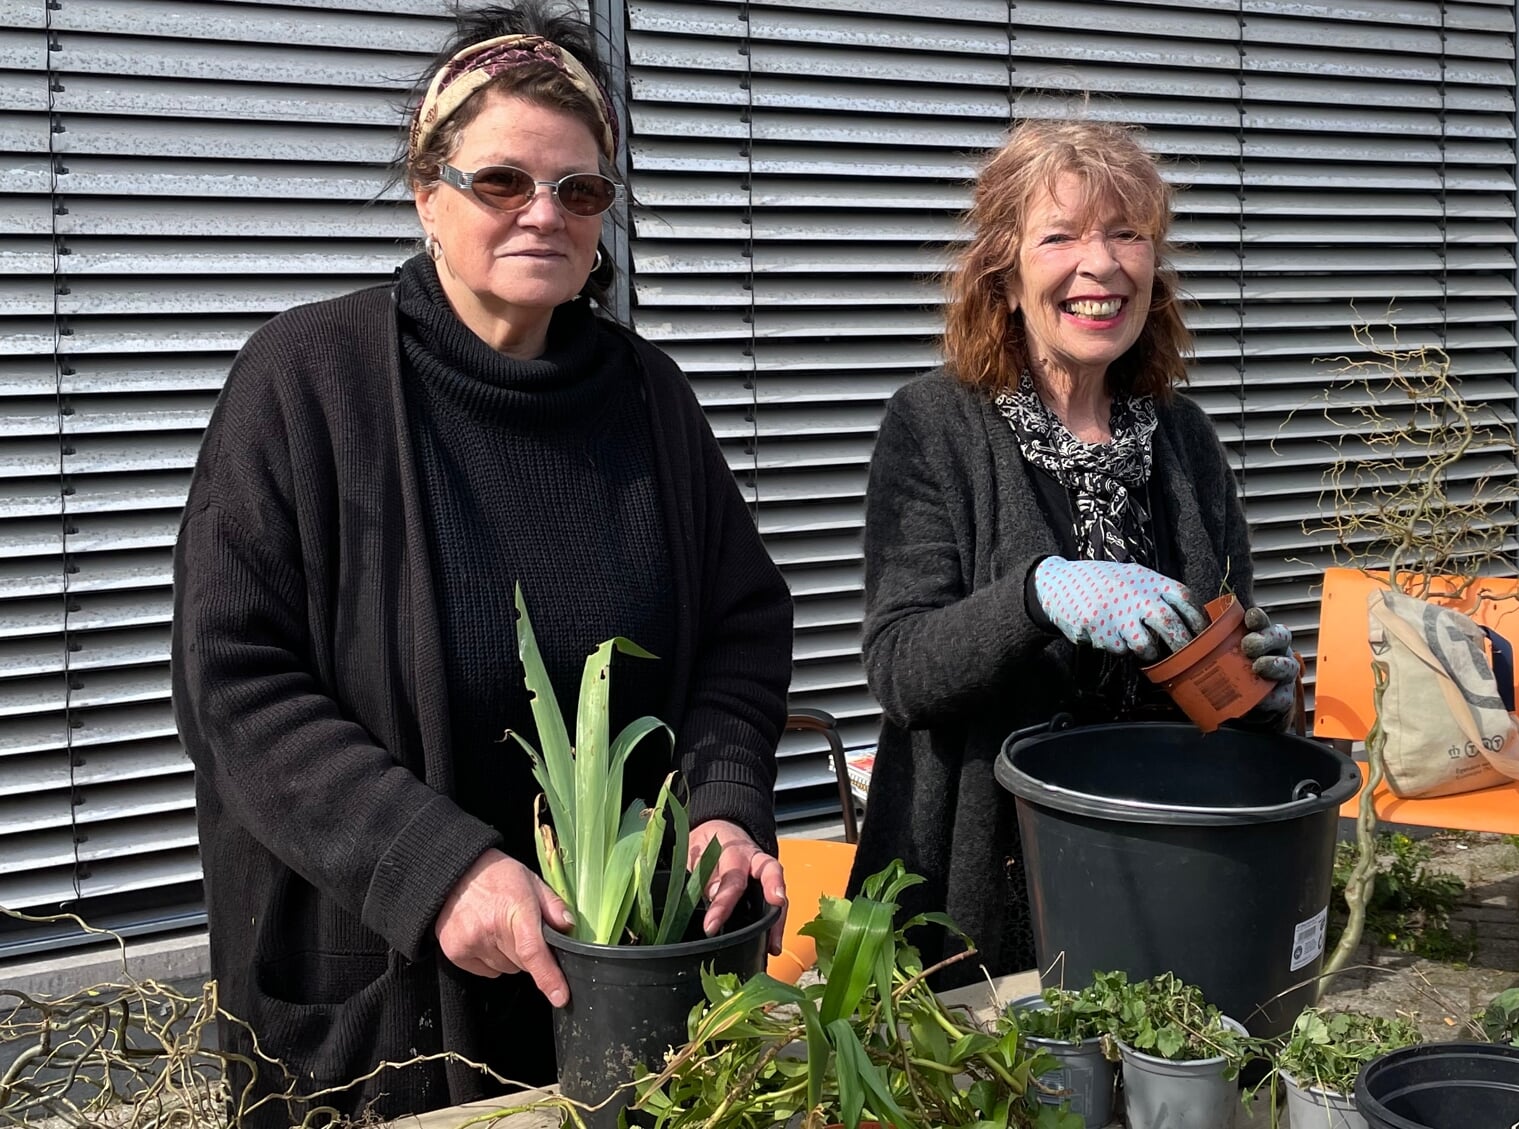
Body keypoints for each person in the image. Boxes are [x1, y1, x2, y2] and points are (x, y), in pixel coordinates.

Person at [169, 3, 793, 1123]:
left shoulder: (649, 400)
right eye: (501, 181)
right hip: (385, 1006)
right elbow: (236, 685)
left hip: (626, 982)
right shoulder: (307, 384)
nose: (543, 213)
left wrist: (727, 803)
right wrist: (435, 868)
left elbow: (744, 624)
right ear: (426, 189)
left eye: (579, 189)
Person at [848, 119, 1302, 988]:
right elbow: (901, 668)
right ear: (1004, 274)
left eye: (1126, 233)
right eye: (1059, 235)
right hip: (985, 895)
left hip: (1164, 877)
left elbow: (1219, 666)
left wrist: (1261, 694)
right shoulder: (934, 426)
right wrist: (1035, 595)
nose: (1100, 265)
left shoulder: (1186, 439)